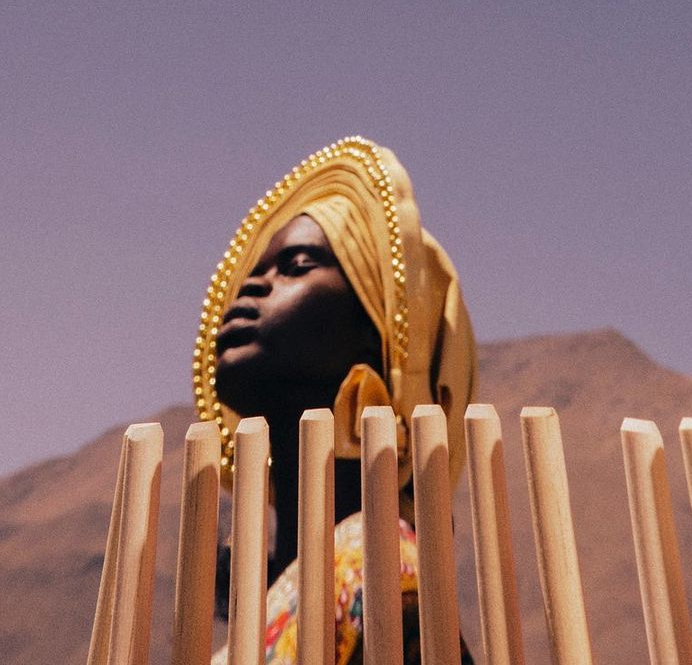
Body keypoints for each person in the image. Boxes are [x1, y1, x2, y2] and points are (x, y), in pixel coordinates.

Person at [193, 137, 478, 665]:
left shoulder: (384, 571)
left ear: (378, 332)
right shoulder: (264, 613)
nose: (251, 287)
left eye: (297, 265)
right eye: (254, 271)